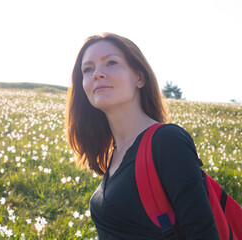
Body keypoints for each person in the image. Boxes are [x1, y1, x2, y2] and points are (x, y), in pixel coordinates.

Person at [66, 33, 220, 239]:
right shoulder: (115, 155)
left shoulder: (167, 141)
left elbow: (203, 234)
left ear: (139, 77)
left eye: (111, 62)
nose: (97, 74)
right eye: (88, 69)